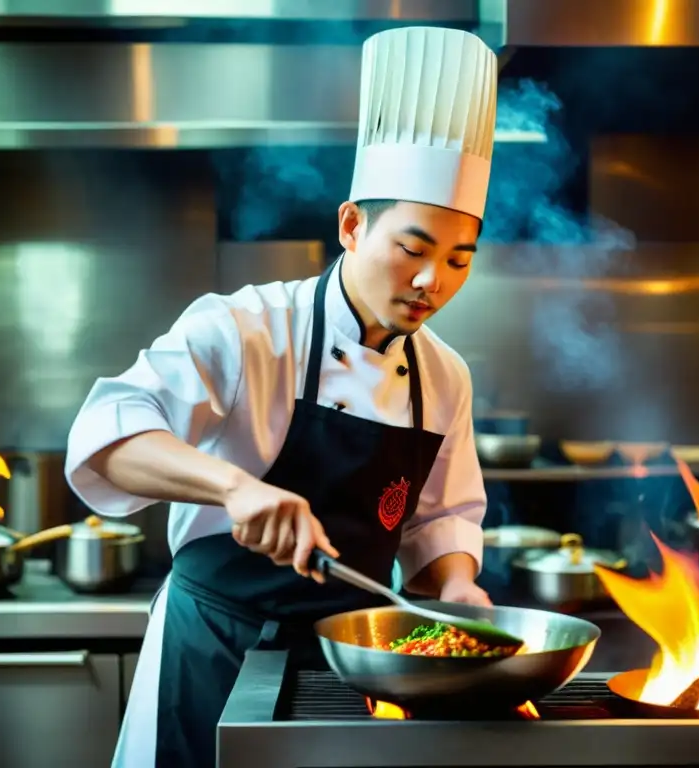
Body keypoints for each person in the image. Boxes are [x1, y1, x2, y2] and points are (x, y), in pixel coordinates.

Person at [63, 25, 500, 768]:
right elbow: (107, 432)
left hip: (350, 669)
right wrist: (234, 489)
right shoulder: (245, 327)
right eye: (414, 249)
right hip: (213, 649)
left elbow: (440, 523)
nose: (434, 282)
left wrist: (457, 588)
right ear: (352, 226)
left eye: (459, 260)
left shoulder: (444, 375)